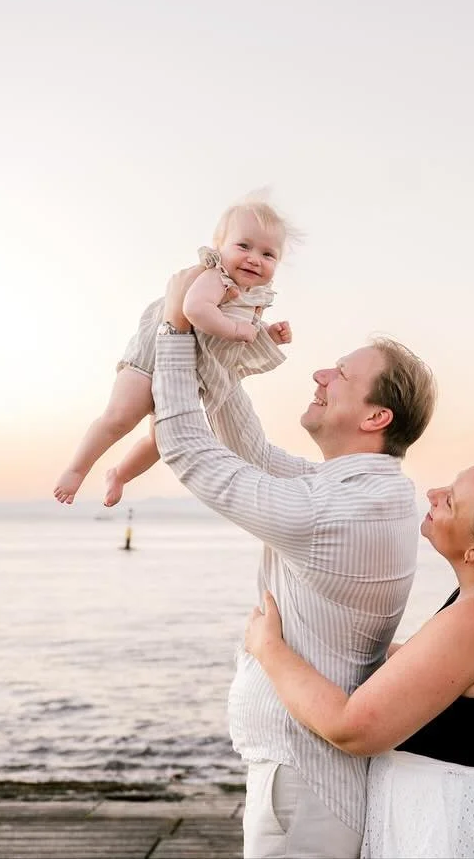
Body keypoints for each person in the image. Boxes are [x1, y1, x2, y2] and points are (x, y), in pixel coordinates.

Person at [149, 263, 438, 859]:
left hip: (304, 787)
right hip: (307, 778)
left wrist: (175, 331)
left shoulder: (345, 508)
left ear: (374, 417)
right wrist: (216, 361)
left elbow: (191, 453)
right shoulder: (362, 488)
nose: (319, 373)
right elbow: (250, 451)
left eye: (343, 374)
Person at [243, 462, 474, 858]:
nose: (433, 493)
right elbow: (420, 672)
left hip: (443, 824)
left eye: (450, 500)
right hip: (458, 812)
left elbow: (353, 730)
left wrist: (269, 650)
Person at [52, 196, 296, 507]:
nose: (254, 259)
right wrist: (238, 331)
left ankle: (120, 474)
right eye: (243, 246)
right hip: (151, 361)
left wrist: (268, 334)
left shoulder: (253, 296)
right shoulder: (214, 277)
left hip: (182, 373)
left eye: (268, 254)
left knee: (160, 442)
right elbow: (195, 310)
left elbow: (234, 326)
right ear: (220, 247)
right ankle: (76, 470)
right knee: (119, 418)